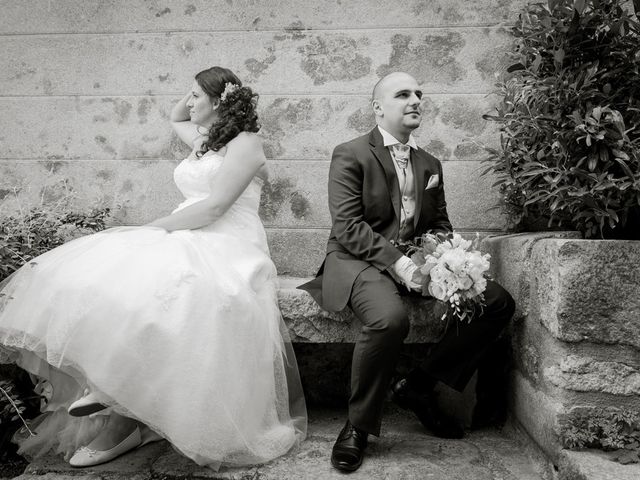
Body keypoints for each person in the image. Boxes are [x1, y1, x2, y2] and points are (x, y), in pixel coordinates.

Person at [0, 66, 306, 469]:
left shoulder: (246, 143)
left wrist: (152, 229)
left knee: (181, 285)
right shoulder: (205, 139)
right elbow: (176, 116)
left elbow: (215, 207)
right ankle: (108, 384)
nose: (189, 101)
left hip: (229, 242)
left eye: (197, 94)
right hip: (186, 231)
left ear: (219, 101)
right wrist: (200, 95)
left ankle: (117, 396)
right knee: (111, 278)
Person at [299, 71, 515, 473]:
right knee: (389, 319)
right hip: (358, 261)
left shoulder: (430, 163)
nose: (415, 99)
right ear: (378, 107)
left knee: (496, 302)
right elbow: (347, 226)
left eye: (418, 94)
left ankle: (417, 387)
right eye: (403, 94)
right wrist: (399, 264)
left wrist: (445, 262)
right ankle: (358, 425)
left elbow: (439, 225)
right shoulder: (350, 152)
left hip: (416, 263)